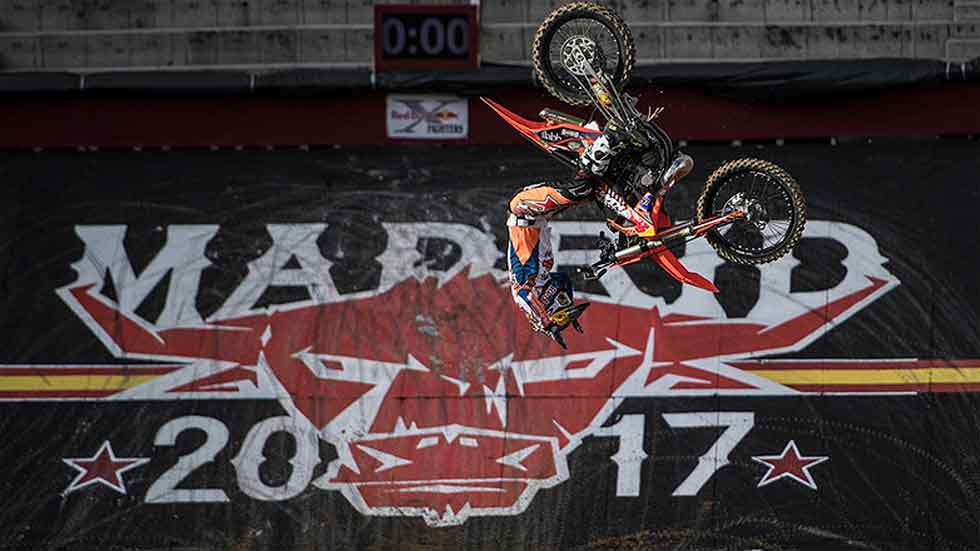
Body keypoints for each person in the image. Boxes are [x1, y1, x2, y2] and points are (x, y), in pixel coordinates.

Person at [506, 125, 654, 345]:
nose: (565, 298)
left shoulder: (524, 285)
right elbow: (564, 280)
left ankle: (609, 138)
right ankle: (615, 154)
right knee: (597, 192)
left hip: (523, 208)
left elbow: (524, 299)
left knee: (580, 190)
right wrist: (570, 309)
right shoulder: (545, 279)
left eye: (563, 302)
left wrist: (547, 323)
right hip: (541, 215)